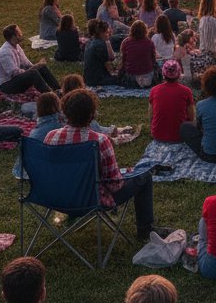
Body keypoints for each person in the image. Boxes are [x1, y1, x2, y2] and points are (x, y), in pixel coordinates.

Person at [45, 89, 156, 241]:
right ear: (92, 115)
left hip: (54, 198)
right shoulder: (100, 141)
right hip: (91, 200)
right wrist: (127, 174)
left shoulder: (51, 137)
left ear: (65, 112)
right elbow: (115, 185)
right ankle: (145, 231)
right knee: (144, 176)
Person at [0, 23, 60, 95]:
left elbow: (27, 64)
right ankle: (49, 96)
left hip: (16, 79)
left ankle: (59, 90)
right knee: (33, 73)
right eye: (19, 33)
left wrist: (37, 66)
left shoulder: (16, 46)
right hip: (7, 85)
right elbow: (14, 74)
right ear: (13, 37)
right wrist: (34, 67)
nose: (21, 35)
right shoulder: (5, 53)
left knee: (41, 68)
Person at [148, 58, 195, 143]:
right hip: (181, 136)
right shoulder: (186, 91)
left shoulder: (154, 90)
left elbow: (151, 115)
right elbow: (191, 116)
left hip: (157, 135)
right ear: (179, 74)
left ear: (163, 73)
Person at [82, 20, 121, 87]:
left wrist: (107, 41)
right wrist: (117, 73)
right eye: (107, 32)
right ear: (101, 33)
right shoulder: (100, 45)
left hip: (88, 78)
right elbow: (109, 67)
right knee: (123, 79)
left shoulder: (90, 42)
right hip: (97, 79)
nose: (109, 34)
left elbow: (111, 58)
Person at [119, 20, 157, 88]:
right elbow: (153, 59)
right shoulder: (149, 42)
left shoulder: (126, 42)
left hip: (131, 79)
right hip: (149, 77)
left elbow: (123, 60)